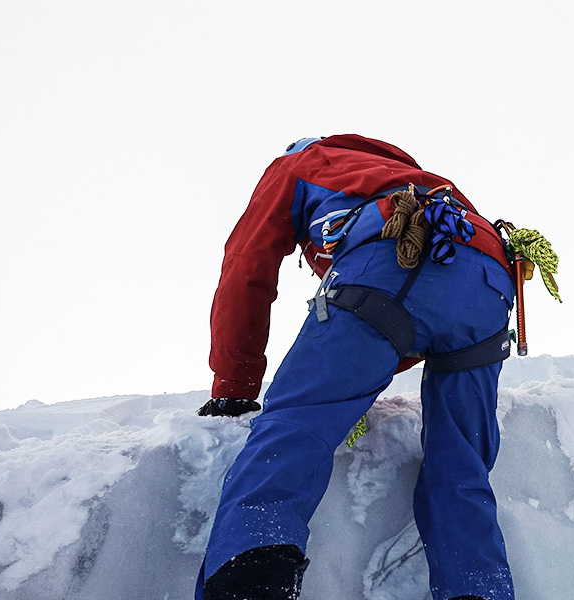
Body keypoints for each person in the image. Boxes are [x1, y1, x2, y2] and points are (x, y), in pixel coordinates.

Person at [197, 135, 519, 600]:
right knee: (462, 469)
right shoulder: (423, 179)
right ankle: (478, 591)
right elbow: (426, 309)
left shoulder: (302, 162)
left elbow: (247, 267)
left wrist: (235, 383)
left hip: (390, 254)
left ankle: (249, 584)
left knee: (295, 427)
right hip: (487, 283)